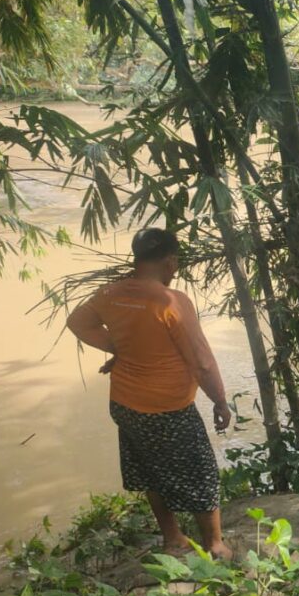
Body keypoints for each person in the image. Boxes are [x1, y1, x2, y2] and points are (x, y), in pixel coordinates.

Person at [66, 228, 233, 560]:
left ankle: (173, 539)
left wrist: (120, 348)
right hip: (168, 409)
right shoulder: (171, 302)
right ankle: (215, 546)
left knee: (149, 469)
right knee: (201, 472)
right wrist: (220, 401)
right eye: (177, 263)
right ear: (169, 261)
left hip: (126, 405)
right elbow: (201, 362)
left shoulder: (110, 293)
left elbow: (77, 322)